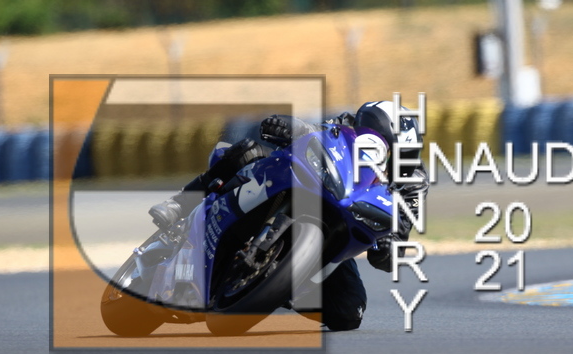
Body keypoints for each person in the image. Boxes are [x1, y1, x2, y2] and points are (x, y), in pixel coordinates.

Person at [149, 101, 429, 331]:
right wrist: (289, 126)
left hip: (339, 226)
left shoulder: (413, 182)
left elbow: (401, 226)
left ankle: (281, 285)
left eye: (398, 155)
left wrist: (391, 245)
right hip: (296, 182)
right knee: (247, 151)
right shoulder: (343, 126)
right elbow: (310, 132)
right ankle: (180, 204)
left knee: (348, 313)